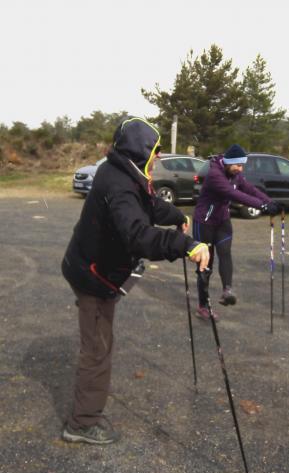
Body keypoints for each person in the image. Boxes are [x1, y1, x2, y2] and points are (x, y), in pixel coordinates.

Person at [61, 117, 209, 444]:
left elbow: (149, 205)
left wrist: (176, 216)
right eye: (155, 151)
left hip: (97, 271)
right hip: (92, 276)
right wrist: (186, 246)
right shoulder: (118, 182)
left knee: (101, 342)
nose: (158, 157)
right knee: (96, 350)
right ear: (140, 151)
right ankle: (81, 423)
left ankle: (85, 413)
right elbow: (138, 236)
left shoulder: (126, 172)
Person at [193, 144, 281, 320]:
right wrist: (261, 206)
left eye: (242, 165)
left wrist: (270, 202)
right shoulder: (214, 175)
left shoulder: (235, 173)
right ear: (228, 162)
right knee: (205, 265)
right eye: (238, 165)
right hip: (204, 222)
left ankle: (227, 290)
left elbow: (249, 189)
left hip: (222, 221)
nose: (240, 169)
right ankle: (203, 306)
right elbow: (234, 195)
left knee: (225, 254)